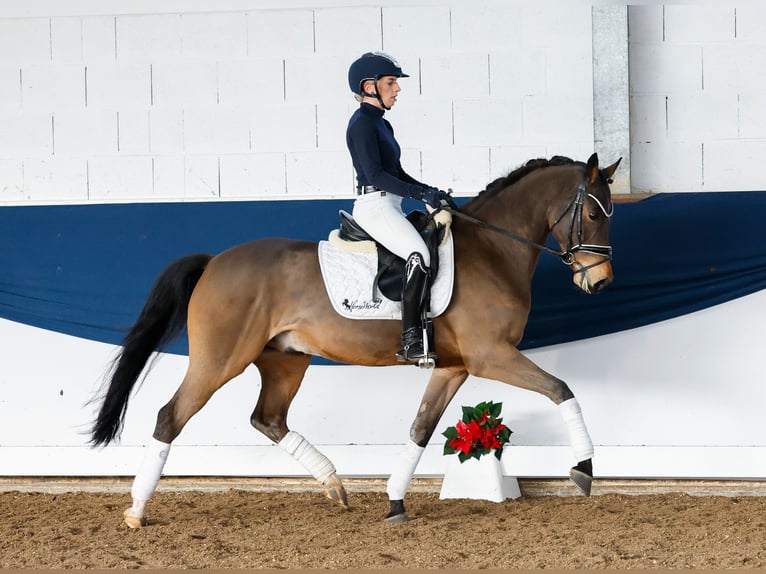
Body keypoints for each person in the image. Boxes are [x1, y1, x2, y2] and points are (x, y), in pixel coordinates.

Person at [346, 51, 449, 364]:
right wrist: (420, 193)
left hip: (390, 203)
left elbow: (396, 174)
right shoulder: (363, 124)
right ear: (369, 86)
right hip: (375, 206)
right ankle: (411, 340)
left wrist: (429, 191)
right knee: (419, 255)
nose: (397, 89)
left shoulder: (382, 125)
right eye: (391, 82)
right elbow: (377, 175)